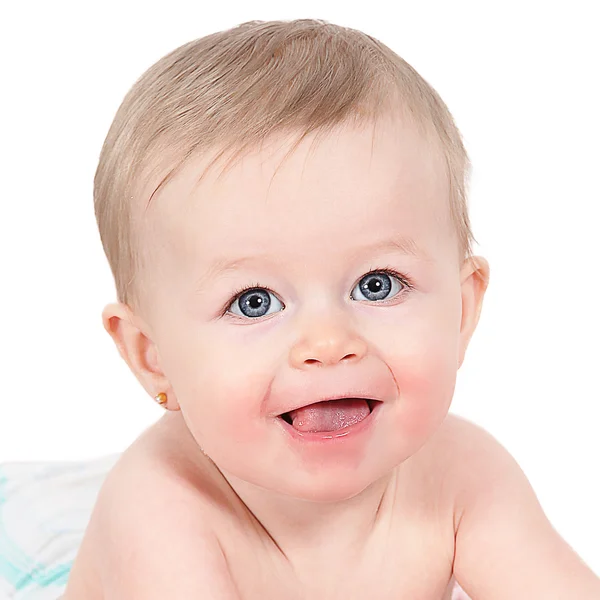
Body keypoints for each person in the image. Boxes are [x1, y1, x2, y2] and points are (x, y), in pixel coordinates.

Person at [62, 18, 600, 599]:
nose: (327, 342)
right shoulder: (161, 506)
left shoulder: (462, 475)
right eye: (254, 302)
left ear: (461, 311)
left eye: (377, 285)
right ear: (152, 355)